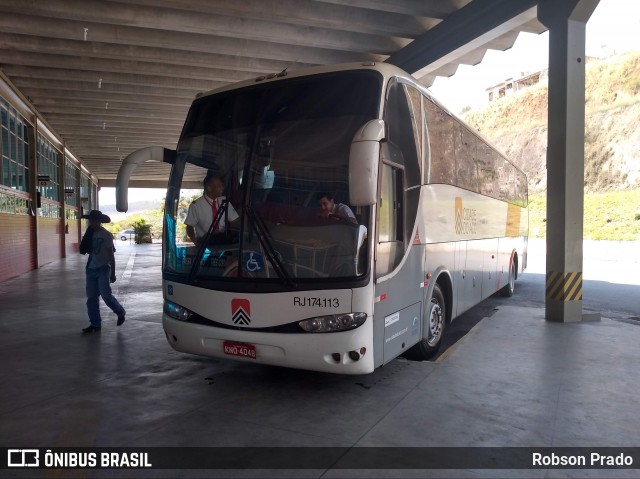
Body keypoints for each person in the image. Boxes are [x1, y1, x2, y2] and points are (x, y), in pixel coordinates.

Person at [79, 210, 126, 333]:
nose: (92, 222)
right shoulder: (89, 234)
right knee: (91, 298)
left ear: (99, 221)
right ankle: (95, 324)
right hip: (91, 269)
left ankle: (120, 312)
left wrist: (113, 273)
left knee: (106, 295)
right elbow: (85, 249)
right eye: (91, 220)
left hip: (103, 268)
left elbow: (111, 255)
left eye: (95, 220)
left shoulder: (106, 235)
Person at [185, 173, 239, 247]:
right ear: (209, 188)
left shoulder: (224, 201)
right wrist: (196, 242)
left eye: (222, 185)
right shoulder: (196, 205)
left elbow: (235, 222)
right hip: (205, 242)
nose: (222, 188)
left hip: (223, 241)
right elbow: (189, 227)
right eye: (219, 186)